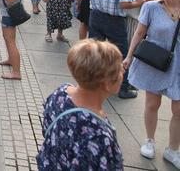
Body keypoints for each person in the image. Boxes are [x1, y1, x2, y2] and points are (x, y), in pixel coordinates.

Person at [37, 39, 124, 170]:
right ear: (106, 83)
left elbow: (47, 129)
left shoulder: (60, 94)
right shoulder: (97, 136)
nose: (123, 72)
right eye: (119, 69)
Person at [124, 0, 180, 166]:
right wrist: (129, 56)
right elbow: (139, 33)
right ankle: (149, 140)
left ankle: (173, 149)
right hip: (155, 62)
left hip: (178, 65)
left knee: (179, 109)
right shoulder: (151, 7)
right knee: (151, 104)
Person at [79, 0, 144, 99]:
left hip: (95, 15)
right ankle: (122, 87)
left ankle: (93, 83)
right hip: (114, 19)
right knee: (121, 53)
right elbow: (124, 4)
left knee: (96, 51)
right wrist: (139, 3)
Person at [0, 0, 23, 80]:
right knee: (8, 40)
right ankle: (10, 60)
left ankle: (16, 72)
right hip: (7, 14)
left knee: (11, 41)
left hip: (9, 14)